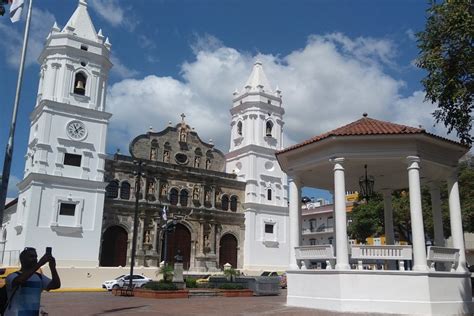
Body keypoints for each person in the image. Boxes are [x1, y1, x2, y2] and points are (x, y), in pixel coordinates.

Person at [5, 247, 61, 315]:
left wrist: (52, 267)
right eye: (31, 256)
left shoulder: (39, 277)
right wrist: (40, 263)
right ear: (22, 259)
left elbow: (56, 285)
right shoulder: (12, 276)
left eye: (36, 257)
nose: (35, 259)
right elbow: (21, 280)